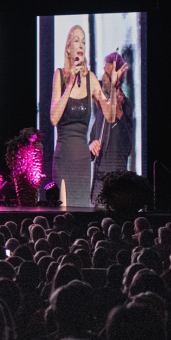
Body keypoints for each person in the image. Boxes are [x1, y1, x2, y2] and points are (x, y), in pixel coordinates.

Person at [49, 25, 115, 207]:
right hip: (64, 158)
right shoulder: (60, 76)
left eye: (84, 42)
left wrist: (114, 88)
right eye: (76, 40)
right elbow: (54, 118)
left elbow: (109, 116)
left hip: (83, 162)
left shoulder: (91, 79)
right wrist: (70, 83)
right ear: (68, 48)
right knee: (63, 213)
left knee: (81, 212)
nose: (81, 45)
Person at [90, 52, 133, 204]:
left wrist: (119, 116)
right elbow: (92, 139)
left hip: (115, 184)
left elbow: (127, 147)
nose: (102, 78)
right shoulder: (102, 107)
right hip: (98, 181)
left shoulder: (125, 105)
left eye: (107, 75)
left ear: (117, 79)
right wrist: (91, 145)